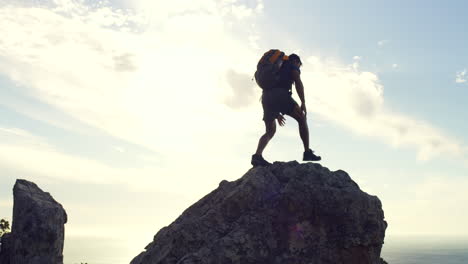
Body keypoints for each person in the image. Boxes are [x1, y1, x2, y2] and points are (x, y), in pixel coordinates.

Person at [251, 53, 321, 166]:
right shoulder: (291, 64)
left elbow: (272, 89)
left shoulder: (277, 66)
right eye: (299, 65)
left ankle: (257, 156)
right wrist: (303, 102)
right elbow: (297, 81)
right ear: (296, 61)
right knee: (302, 118)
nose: (299, 67)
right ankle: (307, 152)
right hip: (281, 94)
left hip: (266, 97)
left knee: (270, 131)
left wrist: (276, 114)